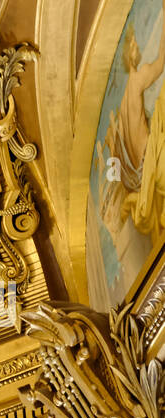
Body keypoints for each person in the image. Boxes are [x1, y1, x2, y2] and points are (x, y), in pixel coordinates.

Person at [103, 3, 165, 243]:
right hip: (152, 160)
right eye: (132, 44)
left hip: (140, 175)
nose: (136, 45)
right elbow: (162, 60)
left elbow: (117, 156)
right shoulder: (138, 79)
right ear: (129, 56)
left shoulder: (123, 101)